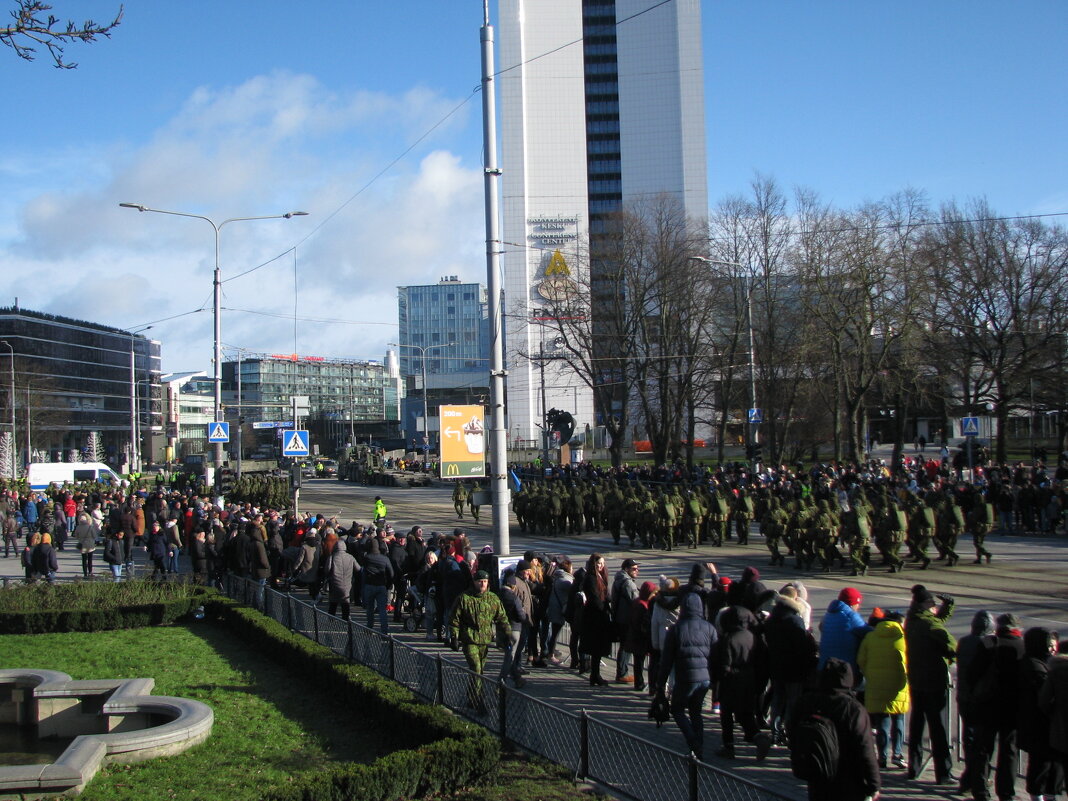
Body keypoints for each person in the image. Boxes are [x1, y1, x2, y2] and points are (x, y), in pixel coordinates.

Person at [791, 658, 881, 801]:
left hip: (818, 773)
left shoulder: (806, 701)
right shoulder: (853, 709)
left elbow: (792, 730)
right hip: (848, 779)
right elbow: (865, 749)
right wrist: (874, 784)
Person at [968, 612, 1025, 801]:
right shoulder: (1022, 647)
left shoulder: (988, 644)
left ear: (998, 626)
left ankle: (980, 792)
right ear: (1017, 628)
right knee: (1009, 751)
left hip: (987, 704)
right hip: (1012, 707)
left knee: (983, 749)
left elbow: (972, 673)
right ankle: (1006, 793)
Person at [904, 584, 957, 785]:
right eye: (932, 603)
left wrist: (947, 607)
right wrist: (949, 658)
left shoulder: (913, 619)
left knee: (917, 727)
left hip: (916, 680)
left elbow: (935, 621)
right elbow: (951, 644)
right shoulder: (929, 625)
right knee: (938, 729)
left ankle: (914, 768)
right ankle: (943, 773)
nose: (934, 606)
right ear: (924, 604)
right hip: (934, 682)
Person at [657, 592, 719, 760]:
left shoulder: (677, 629)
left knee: (677, 709)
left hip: (685, 676)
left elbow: (667, 660)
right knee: (696, 711)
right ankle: (698, 746)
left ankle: (693, 742)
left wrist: (660, 684)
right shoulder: (709, 628)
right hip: (704, 679)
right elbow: (715, 655)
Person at [450, 568, 510, 711]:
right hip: (469, 639)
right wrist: (454, 637)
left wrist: (508, 634)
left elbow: (501, 618)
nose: (482, 584)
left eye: (485, 582)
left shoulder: (492, 598)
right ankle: (478, 699)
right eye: (479, 582)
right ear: (474, 582)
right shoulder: (464, 598)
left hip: (485, 639)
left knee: (479, 670)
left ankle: (472, 696)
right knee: (476, 668)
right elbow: (454, 619)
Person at [857, 610, 909, 770]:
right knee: (898, 720)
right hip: (897, 686)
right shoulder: (902, 638)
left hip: (876, 685)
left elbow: (861, 659)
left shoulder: (871, 637)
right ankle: (898, 754)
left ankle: (882, 757)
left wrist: (870, 674)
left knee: (882, 724)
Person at [1018, 627, 1062, 801]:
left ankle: (1049, 795)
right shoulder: (1035, 666)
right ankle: (1038, 796)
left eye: (1054, 645)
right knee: (1041, 765)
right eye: (1049, 645)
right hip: (1039, 727)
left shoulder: (1040, 663)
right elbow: (1044, 699)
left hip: (1043, 726)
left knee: (1051, 766)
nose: (1053, 649)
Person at [817, 587, 871, 678]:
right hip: (844, 669)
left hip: (824, 667)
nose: (858, 607)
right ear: (852, 604)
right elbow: (868, 633)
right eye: (857, 604)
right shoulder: (850, 616)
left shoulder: (828, 615)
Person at [579, 553, 613, 686]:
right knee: (595, 647)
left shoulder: (600, 576)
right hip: (594, 617)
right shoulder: (591, 578)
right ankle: (595, 674)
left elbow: (605, 595)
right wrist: (604, 608)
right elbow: (594, 598)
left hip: (599, 616)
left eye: (603, 563)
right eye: (599, 563)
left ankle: (595, 674)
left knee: (598, 648)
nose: (601, 566)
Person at [498, 560, 534, 688]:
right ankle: (501, 682)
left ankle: (516, 677)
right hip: (516, 626)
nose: (529, 573)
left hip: (508, 627)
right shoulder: (514, 593)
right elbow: (519, 611)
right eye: (527, 571)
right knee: (511, 656)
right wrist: (524, 616)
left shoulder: (501, 593)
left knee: (511, 655)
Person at [611, 558, 640, 683]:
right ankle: (622, 673)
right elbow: (635, 601)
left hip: (620, 617)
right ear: (626, 569)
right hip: (626, 619)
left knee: (624, 646)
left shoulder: (619, 579)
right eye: (634, 569)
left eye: (637, 568)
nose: (637, 571)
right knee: (626, 646)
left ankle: (622, 672)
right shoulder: (628, 583)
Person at [361, 538, 393, 632]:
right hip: (381, 585)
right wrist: (388, 585)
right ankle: (384, 629)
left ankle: (369, 627)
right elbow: (391, 573)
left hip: (369, 585)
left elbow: (363, 570)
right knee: (382, 610)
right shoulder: (384, 558)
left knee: (370, 609)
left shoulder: (367, 558)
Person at [326, 539, 357, 620]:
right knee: (345, 602)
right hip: (347, 583)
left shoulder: (332, 557)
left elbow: (327, 569)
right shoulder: (350, 557)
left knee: (333, 602)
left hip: (335, 583)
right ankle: (345, 619)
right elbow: (358, 568)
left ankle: (331, 618)